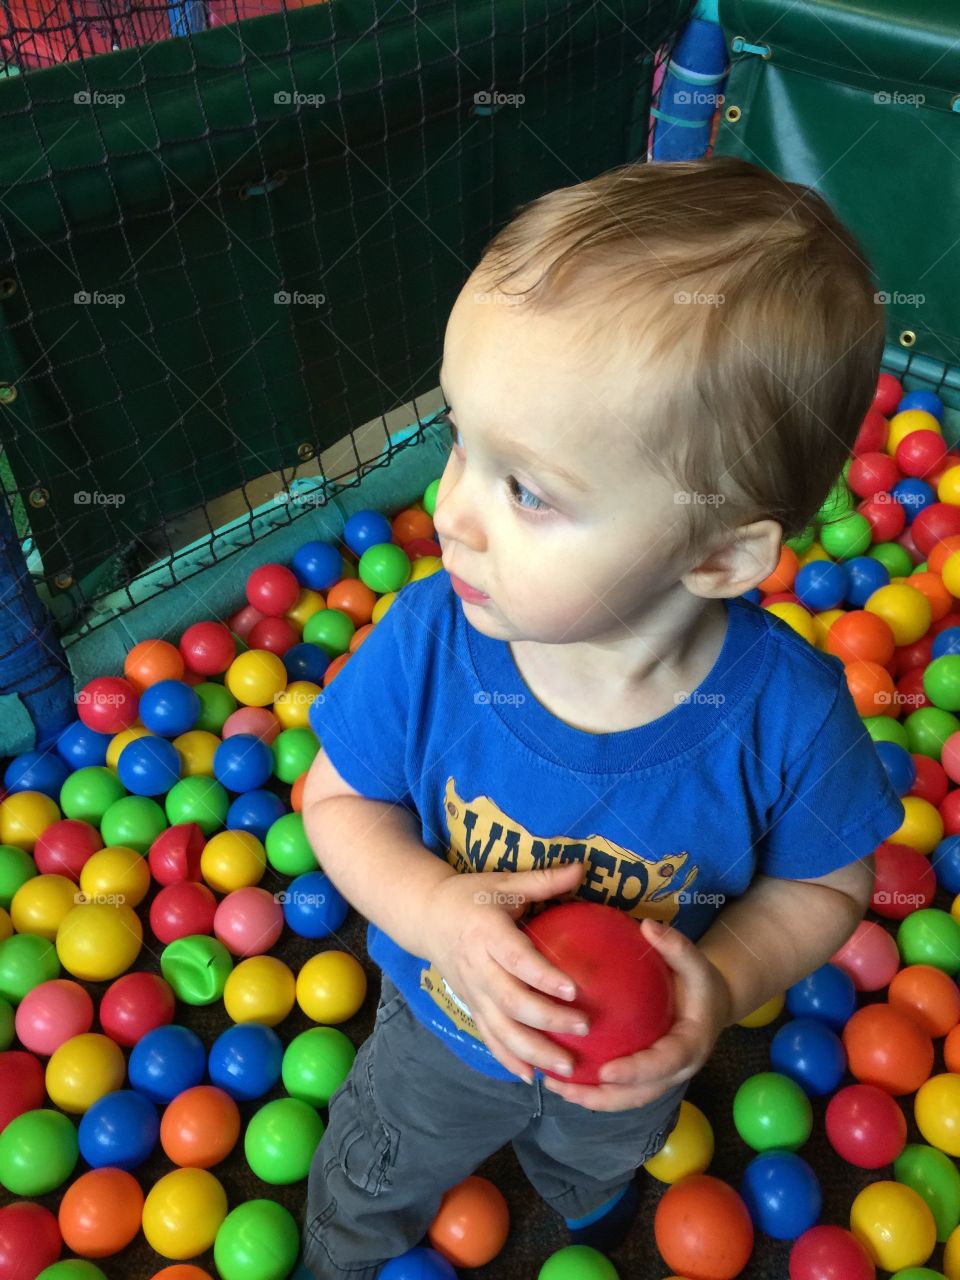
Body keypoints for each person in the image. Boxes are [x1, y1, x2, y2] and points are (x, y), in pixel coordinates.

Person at [300, 155, 905, 1278]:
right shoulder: (434, 640)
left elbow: (826, 884)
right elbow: (335, 799)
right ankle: (339, 1247)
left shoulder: (789, 713)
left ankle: (581, 1205)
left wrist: (721, 982)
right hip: (444, 1030)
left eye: (528, 489)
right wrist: (436, 911)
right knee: (378, 1163)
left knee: (597, 1154)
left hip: (628, 1064)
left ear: (720, 553)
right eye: (459, 440)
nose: (453, 513)